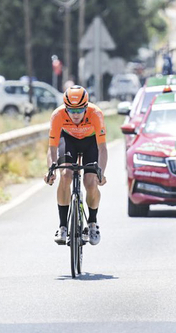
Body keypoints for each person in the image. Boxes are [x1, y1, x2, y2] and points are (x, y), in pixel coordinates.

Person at [44, 85, 107, 246]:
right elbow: (52, 147)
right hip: (69, 140)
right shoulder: (58, 115)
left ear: (86, 107)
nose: (76, 114)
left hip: (90, 142)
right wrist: (51, 170)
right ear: (66, 108)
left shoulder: (96, 114)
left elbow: (102, 148)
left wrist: (101, 172)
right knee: (65, 175)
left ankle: (92, 223)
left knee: (91, 182)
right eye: (72, 111)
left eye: (80, 110)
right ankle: (63, 226)